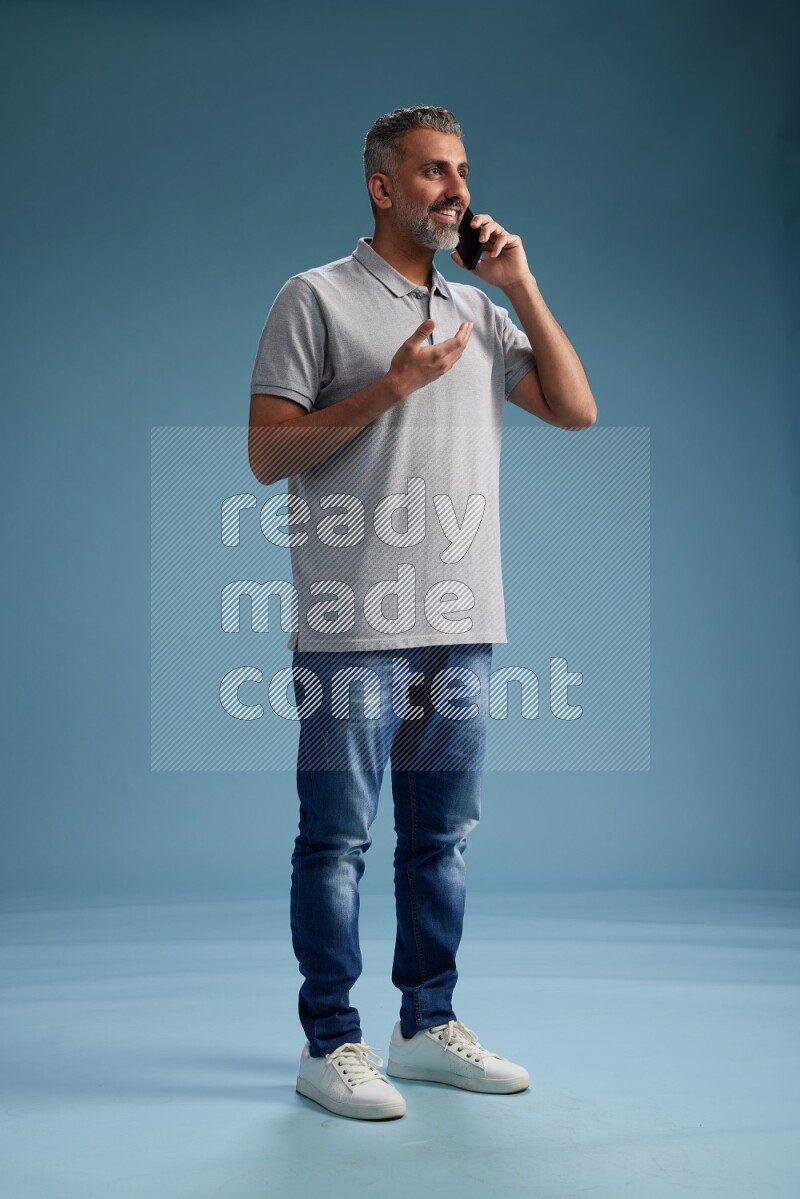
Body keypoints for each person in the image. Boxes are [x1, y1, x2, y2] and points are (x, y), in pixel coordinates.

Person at [248, 105, 596, 1121]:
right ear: (381, 186)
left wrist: (518, 283)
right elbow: (268, 455)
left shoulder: (479, 313)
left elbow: (573, 408)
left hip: (461, 615)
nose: (455, 186)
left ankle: (422, 1024)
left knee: (437, 840)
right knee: (336, 842)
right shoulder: (312, 298)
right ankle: (331, 1043)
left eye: (461, 170)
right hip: (351, 620)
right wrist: (390, 385)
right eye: (433, 170)